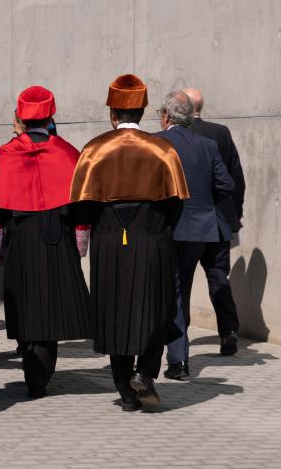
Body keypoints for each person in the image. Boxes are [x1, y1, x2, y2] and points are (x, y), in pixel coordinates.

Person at [70, 74, 189, 411]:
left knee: (114, 311)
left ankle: (126, 392)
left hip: (109, 241)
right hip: (153, 238)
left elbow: (81, 206)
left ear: (113, 113)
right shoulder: (163, 148)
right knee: (157, 306)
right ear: (143, 110)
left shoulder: (94, 149)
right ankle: (147, 373)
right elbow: (176, 203)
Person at [0, 86, 91, 398]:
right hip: (58, 237)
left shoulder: (7, 153)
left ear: (20, 117)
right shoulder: (68, 152)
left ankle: (31, 364)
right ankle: (41, 372)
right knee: (51, 304)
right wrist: (81, 240)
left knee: (23, 299)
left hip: (21, 236)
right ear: (51, 114)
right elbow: (82, 204)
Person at [156, 91, 234, 380]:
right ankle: (178, 359)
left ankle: (175, 360)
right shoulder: (207, 144)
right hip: (200, 228)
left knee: (169, 292)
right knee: (180, 290)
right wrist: (201, 203)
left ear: (166, 115)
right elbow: (226, 184)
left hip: (167, 228)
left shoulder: (157, 142)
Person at [183, 87, 244, 356]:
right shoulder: (221, 133)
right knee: (219, 278)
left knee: (181, 280)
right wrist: (235, 214)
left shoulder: (176, 138)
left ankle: (178, 335)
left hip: (186, 224)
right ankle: (229, 331)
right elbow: (235, 179)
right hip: (218, 221)